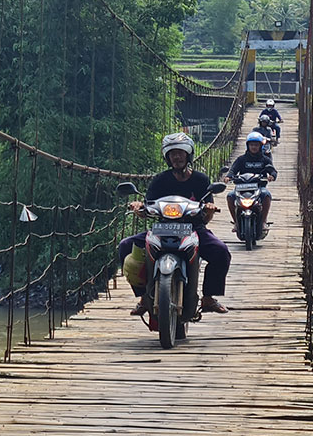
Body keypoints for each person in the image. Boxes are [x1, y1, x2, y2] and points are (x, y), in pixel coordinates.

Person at [118, 133, 231, 315]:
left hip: (193, 229)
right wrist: (139, 208)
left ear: (188, 155)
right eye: (172, 154)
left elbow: (206, 216)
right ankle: (144, 297)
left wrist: (209, 211)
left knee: (221, 252)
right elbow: (147, 209)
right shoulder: (160, 180)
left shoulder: (201, 180)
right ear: (167, 158)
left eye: (180, 153)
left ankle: (208, 298)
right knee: (125, 247)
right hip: (162, 229)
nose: (177, 157)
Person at [224, 131, 277, 237]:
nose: (254, 147)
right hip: (241, 188)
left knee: (266, 195)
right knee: (230, 196)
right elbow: (233, 169)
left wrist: (272, 176)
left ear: (260, 146)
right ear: (248, 145)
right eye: (251, 145)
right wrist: (228, 176)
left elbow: (272, 170)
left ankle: (263, 222)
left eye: (256, 145)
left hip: (258, 188)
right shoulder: (241, 159)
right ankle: (236, 223)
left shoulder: (265, 159)